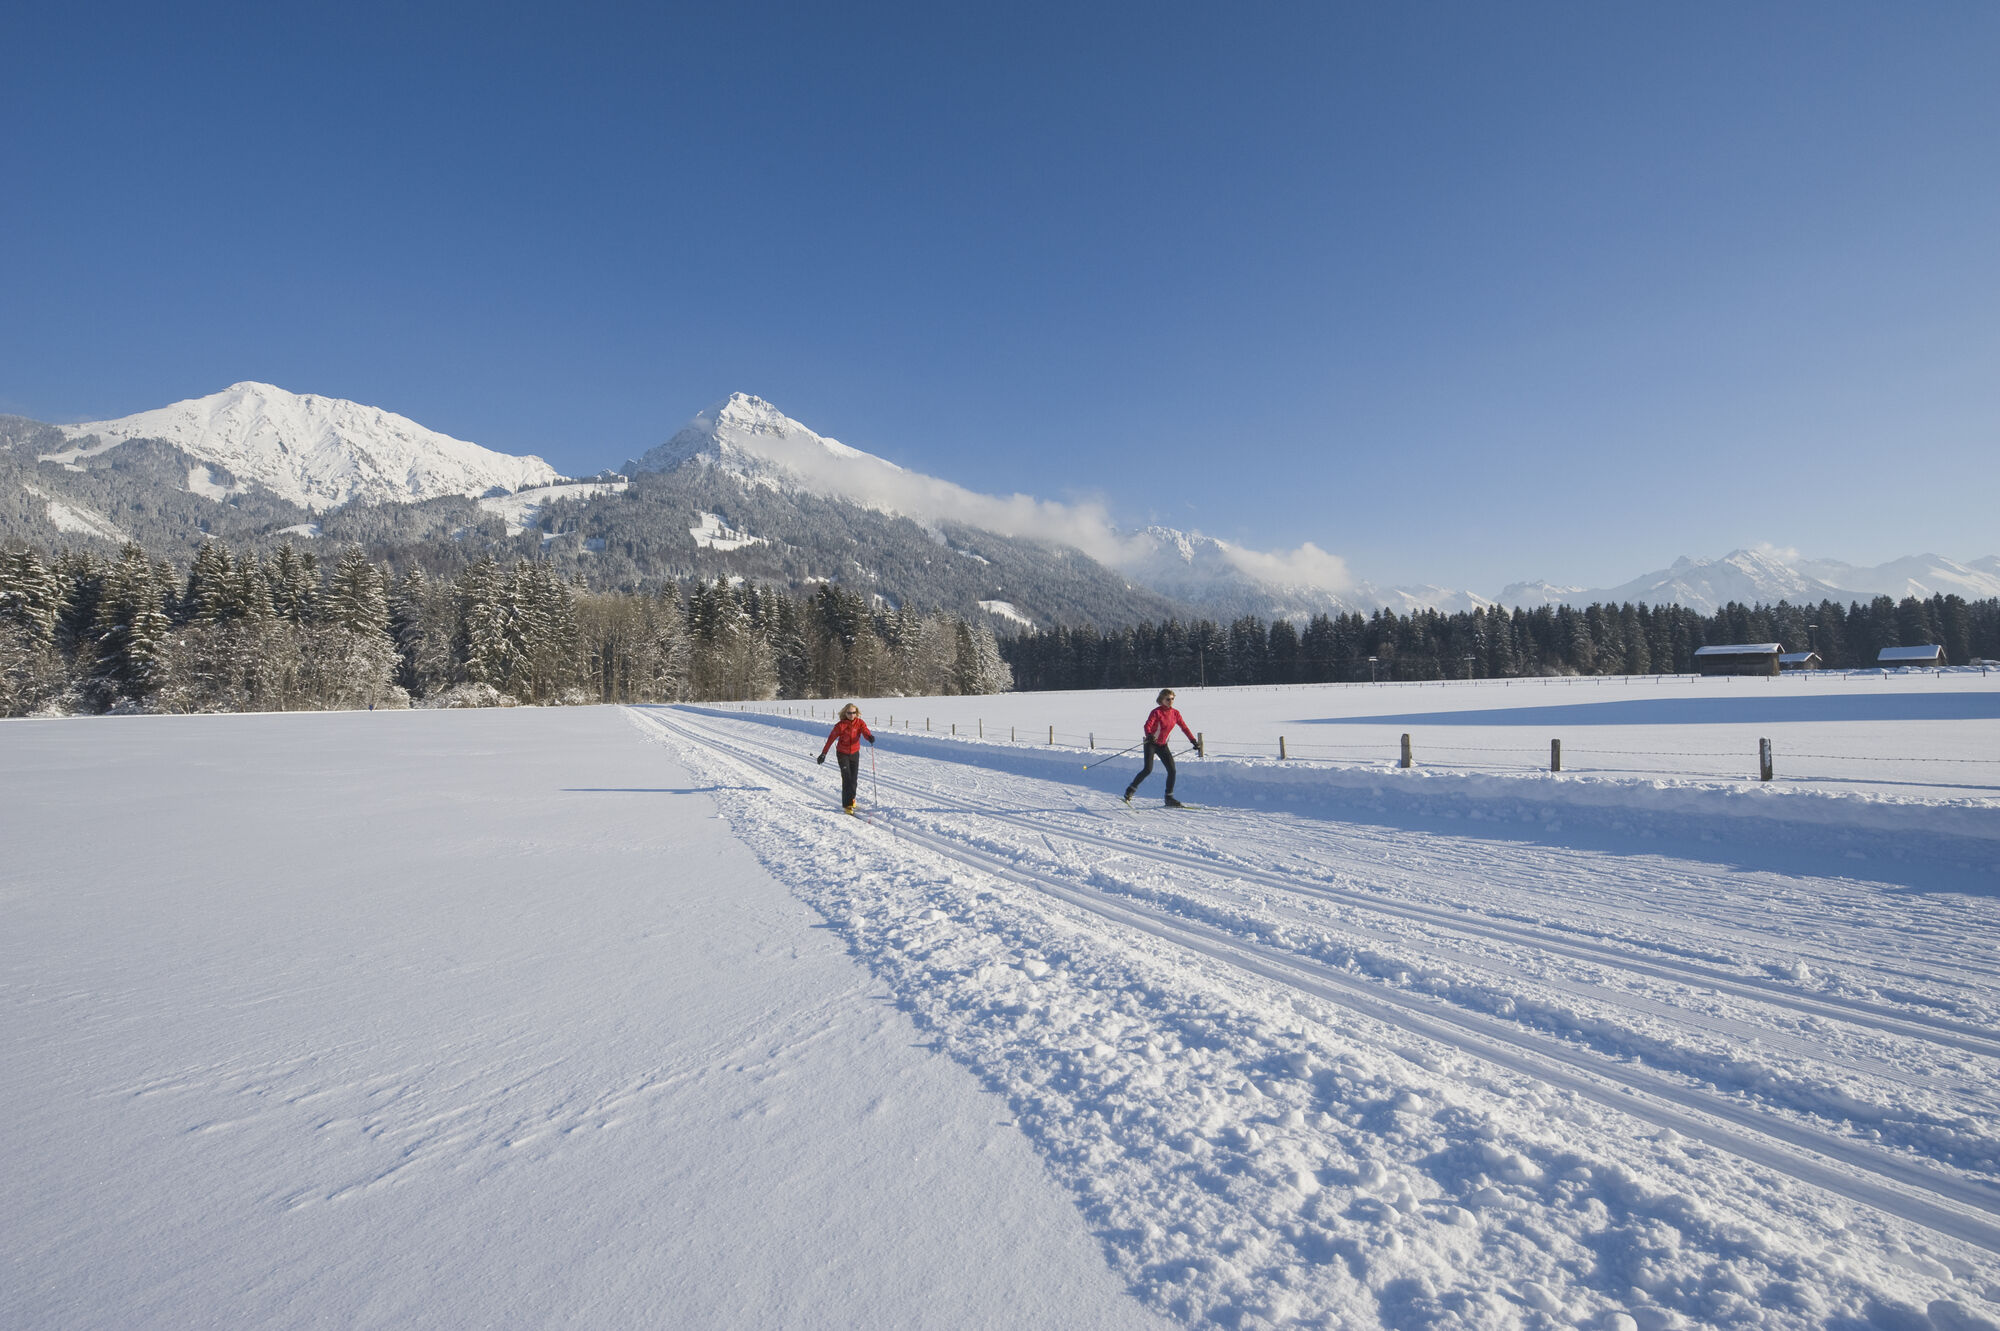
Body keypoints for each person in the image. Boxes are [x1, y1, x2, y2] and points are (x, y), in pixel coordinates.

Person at [1124, 688, 1198, 807]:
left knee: (1172, 770)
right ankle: (1130, 790)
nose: (1170, 701)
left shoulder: (1175, 713)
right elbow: (1147, 725)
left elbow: (1184, 728)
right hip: (1151, 743)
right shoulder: (1156, 712)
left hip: (1163, 745)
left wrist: (1193, 741)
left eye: (1172, 698)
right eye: (1168, 699)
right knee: (1148, 770)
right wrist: (1149, 735)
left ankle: (1169, 798)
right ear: (1161, 700)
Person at [817, 703, 875, 813]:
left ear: (856, 713)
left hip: (854, 753)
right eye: (849, 713)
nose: (852, 715)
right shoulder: (840, 725)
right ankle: (847, 805)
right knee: (847, 778)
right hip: (842, 754)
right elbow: (830, 739)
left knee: (854, 779)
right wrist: (823, 753)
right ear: (845, 713)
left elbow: (865, 731)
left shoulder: (860, 723)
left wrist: (869, 737)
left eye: (854, 712)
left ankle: (852, 800)